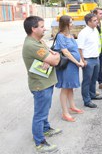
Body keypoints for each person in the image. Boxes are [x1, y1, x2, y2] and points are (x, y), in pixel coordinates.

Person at [22, 16, 62, 153]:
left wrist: (51, 58)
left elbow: (53, 54)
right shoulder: (32, 45)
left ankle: (45, 129)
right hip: (40, 85)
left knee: (45, 108)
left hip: (46, 82)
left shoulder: (39, 41)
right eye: (41, 26)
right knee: (40, 113)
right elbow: (56, 60)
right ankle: (40, 142)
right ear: (33, 29)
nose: (45, 28)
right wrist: (53, 58)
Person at [54, 15, 84, 122]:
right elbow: (65, 52)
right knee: (65, 88)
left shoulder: (70, 35)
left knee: (70, 87)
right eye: (70, 22)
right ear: (65, 24)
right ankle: (65, 113)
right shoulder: (60, 36)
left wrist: (80, 60)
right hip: (67, 65)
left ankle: (72, 106)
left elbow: (75, 50)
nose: (72, 24)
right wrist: (77, 62)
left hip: (74, 65)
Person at [77, 13, 102, 109]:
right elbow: (80, 48)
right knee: (87, 81)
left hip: (96, 58)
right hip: (88, 60)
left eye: (97, 20)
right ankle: (87, 100)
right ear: (89, 22)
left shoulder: (95, 30)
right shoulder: (83, 33)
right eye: (94, 20)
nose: (97, 22)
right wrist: (83, 60)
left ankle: (92, 94)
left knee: (94, 79)